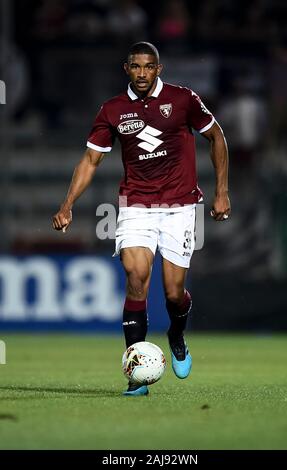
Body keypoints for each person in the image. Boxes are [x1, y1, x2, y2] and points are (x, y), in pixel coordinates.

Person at [52, 42, 230, 396]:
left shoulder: (183, 100)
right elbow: (91, 160)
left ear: (159, 69)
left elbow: (216, 137)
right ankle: (135, 374)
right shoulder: (113, 110)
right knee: (136, 277)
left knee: (173, 293)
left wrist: (221, 192)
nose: (143, 73)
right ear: (127, 69)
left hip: (181, 207)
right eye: (136, 67)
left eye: (149, 67)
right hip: (136, 206)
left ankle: (176, 335)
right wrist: (67, 203)